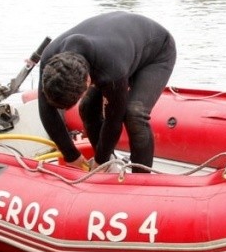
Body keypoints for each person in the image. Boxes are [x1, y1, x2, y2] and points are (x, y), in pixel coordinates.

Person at [38, 11, 177, 173]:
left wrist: (100, 160)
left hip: (156, 51)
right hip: (119, 46)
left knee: (134, 113)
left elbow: (114, 120)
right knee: (87, 107)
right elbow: (46, 110)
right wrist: (71, 155)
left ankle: (141, 179)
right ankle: (108, 167)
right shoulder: (50, 59)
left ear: (88, 81)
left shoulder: (111, 70)